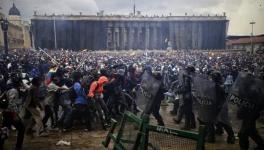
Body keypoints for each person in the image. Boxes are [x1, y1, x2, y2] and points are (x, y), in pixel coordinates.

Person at [0, 78, 25, 150]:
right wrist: (15, 115)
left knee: (4, 130)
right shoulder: (14, 91)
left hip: (6, 113)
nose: (22, 85)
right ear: (19, 84)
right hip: (10, 113)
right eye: (21, 83)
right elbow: (11, 104)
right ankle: (18, 147)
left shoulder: (10, 89)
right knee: (21, 129)